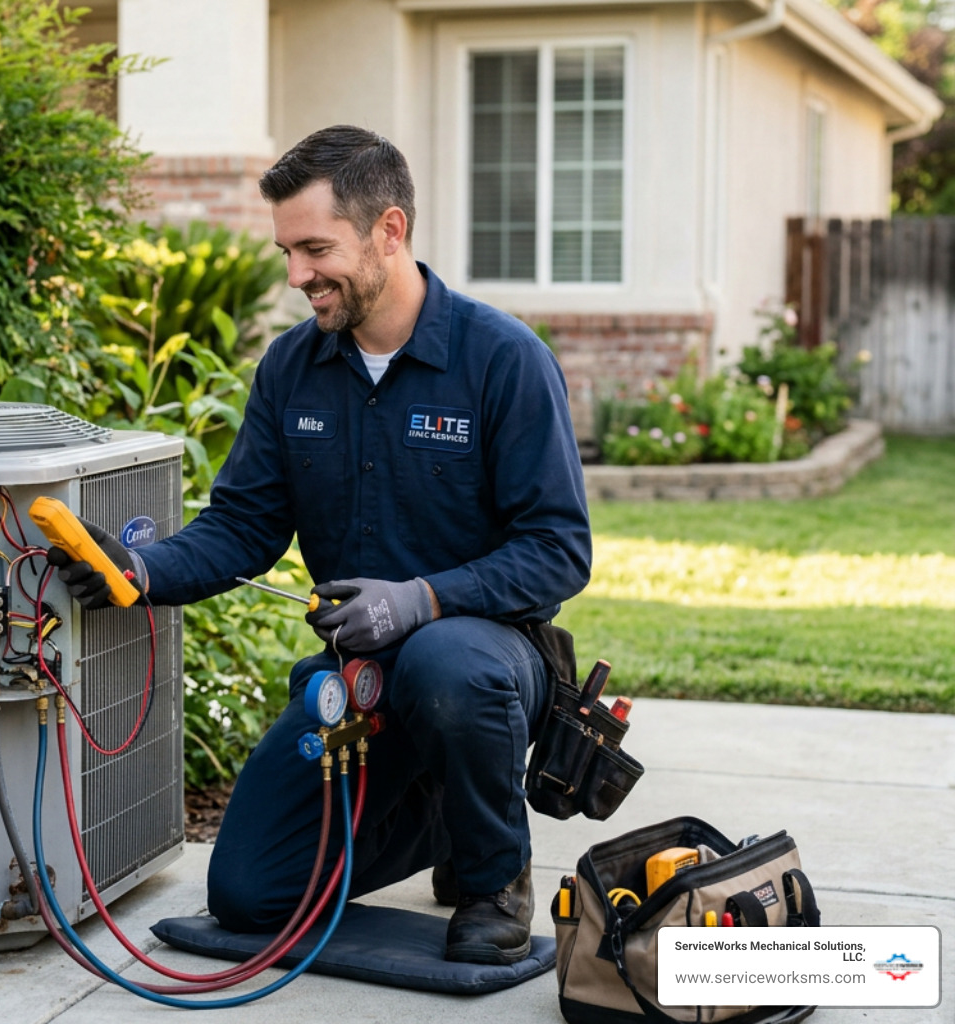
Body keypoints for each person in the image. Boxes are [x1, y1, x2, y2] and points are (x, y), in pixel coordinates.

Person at [48, 124, 591, 965]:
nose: (298, 275)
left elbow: (559, 551)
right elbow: (243, 526)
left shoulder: (503, 361)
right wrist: (139, 569)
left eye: (315, 248)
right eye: (287, 252)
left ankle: (493, 875)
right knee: (250, 893)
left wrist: (422, 600)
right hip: (358, 680)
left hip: (487, 665)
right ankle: (444, 809)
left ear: (390, 230)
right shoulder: (292, 369)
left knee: (449, 663)